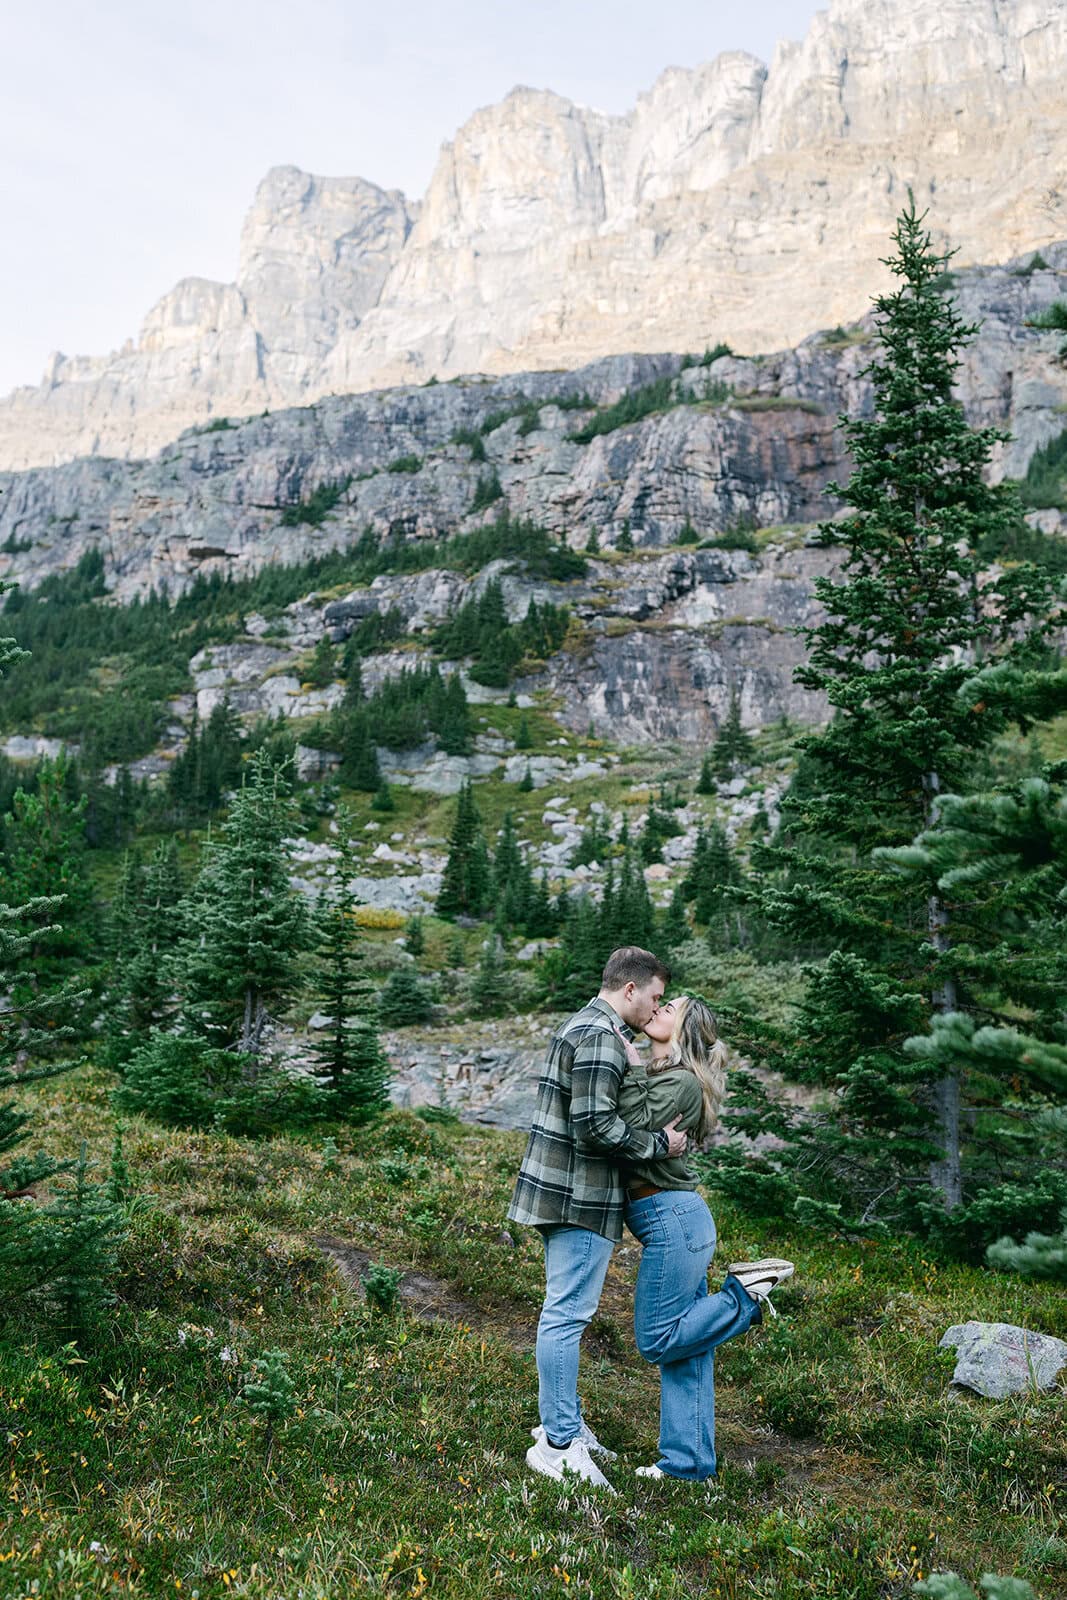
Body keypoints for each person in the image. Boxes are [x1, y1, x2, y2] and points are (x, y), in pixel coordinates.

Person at [508, 945, 688, 1490]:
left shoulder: (587, 1029)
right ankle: (559, 1445)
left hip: (561, 1193)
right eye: (654, 998)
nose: (655, 1008)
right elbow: (593, 1126)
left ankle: (565, 1426)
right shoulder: (600, 1038)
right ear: (629, 989)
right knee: (567, 1316)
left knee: (564, 1312)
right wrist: (659, 1143)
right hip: (578, 1198)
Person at [616, 995, 795, 1482]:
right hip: (676, 1220)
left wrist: (629, 1063)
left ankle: (746, 1297)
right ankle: (688, 1465)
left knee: (657, 1341)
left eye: (668, 1008)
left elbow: (626, 1123)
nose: (656, 1010)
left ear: (686, 1030)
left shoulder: (682, 1082)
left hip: (671, 1219)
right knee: (688, 1349)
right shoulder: (664, 1075)